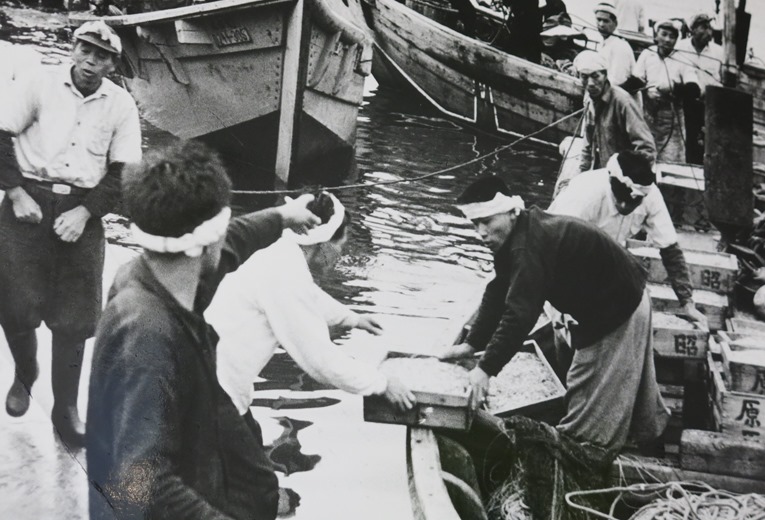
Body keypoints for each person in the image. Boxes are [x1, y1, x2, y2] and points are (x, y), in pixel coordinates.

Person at [86, 141, 321, 519]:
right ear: (208, 241)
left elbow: (233, 242)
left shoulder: (162, 277)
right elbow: (138, 482)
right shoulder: (147, 335)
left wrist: (282, 216)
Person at [441, 175, 669, 455]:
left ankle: (587, 454)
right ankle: (650, 439)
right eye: (475, 224)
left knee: (586, 394)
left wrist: (485, 369)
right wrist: (472, 343)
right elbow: (499, 290)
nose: (481, 232)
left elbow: (519, 316)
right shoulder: (520, 233)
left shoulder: (527, 246)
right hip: (627, 293)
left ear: (512, 213)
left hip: (619, 306)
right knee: (626, 382)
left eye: (486, 221)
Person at [0, 21, 141, 449]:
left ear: (113, 64)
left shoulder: (121, 105)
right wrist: (15, 192)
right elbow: (1, 135)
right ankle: (25, 372)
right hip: (27, 203)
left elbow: (123, 172)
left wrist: (85, 212)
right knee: (15, 305)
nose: (91, 62)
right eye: (86, 50)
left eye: (102, 56)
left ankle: (66, 411)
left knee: (75, 320)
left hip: (82, 210)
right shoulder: (39, 83)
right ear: (73, 49)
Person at [206, 191, 414, 422]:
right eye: (341, 246)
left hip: (211, 382)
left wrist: (352, 319)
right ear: (324, 244)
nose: (340, 255)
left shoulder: (277, 252)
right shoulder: (286, 275)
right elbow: (320, 360)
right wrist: (381, 383)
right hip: (216, 398)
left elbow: (308, 297)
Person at [550, 150, 706, 324]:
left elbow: (670, 249)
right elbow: (554, 247)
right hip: (567, 254)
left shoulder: (652, 197)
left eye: (633, 203)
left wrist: (687, 302)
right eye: (620, 199)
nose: (624, 206)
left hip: (608, 255)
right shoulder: (584, 196)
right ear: (611, 183)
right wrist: (561, 304)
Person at [574, 50, 655, 173]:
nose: (590, 83)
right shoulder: (590, 101)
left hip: (622, 175)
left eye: (595, 76)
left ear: (605, 75)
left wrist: (626, 175)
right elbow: (588, 145)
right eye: (584, 77)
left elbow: (647, 150)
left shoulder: (623, 102)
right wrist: (581, 172)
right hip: (601, 172)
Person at [634, 19, 700, 164]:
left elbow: (694, 90)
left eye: (672, 36)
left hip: (672, 121)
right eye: (664, 34)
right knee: (644, 158)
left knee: (670, 161)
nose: (668, 40)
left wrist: (674, 88)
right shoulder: (647, 54)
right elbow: (637, 80)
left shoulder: (684, 59)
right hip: (648, 117)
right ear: (656, 36)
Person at [675, 12, 724, 163]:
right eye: (704, 27)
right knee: (687, 139)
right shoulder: (680, 47)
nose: (708, 32)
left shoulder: (719, 52)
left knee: (707, 141)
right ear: (693, 29)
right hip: (686, 102)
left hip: (709, 103)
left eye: (710, 28)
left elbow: (723, 79)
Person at [593, 2, 636, 90]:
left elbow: (617, 81)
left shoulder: (620, 46)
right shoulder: (604, 41)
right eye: (598, 20)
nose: (601, 24)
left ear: (615, 23)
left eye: (606, 21)